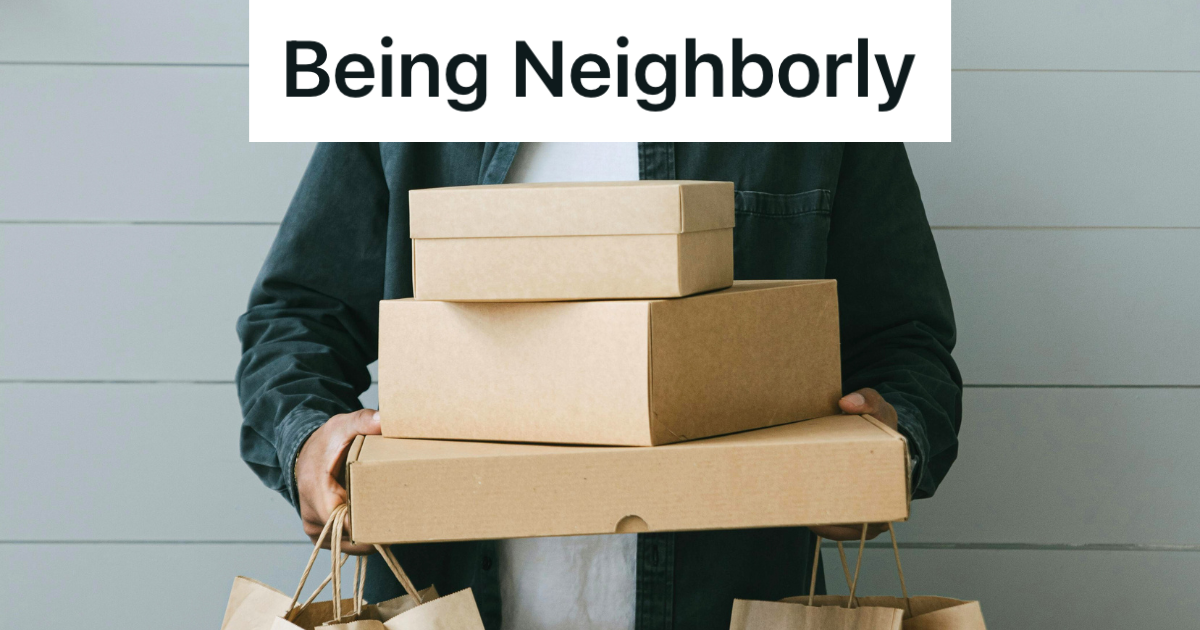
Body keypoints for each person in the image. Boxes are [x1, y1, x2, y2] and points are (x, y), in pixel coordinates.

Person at [237, 142, 962, 630]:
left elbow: (904, 340)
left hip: (729, 604)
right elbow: (298, 314)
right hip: (452, 601)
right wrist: (308, 443)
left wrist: (890, 451)